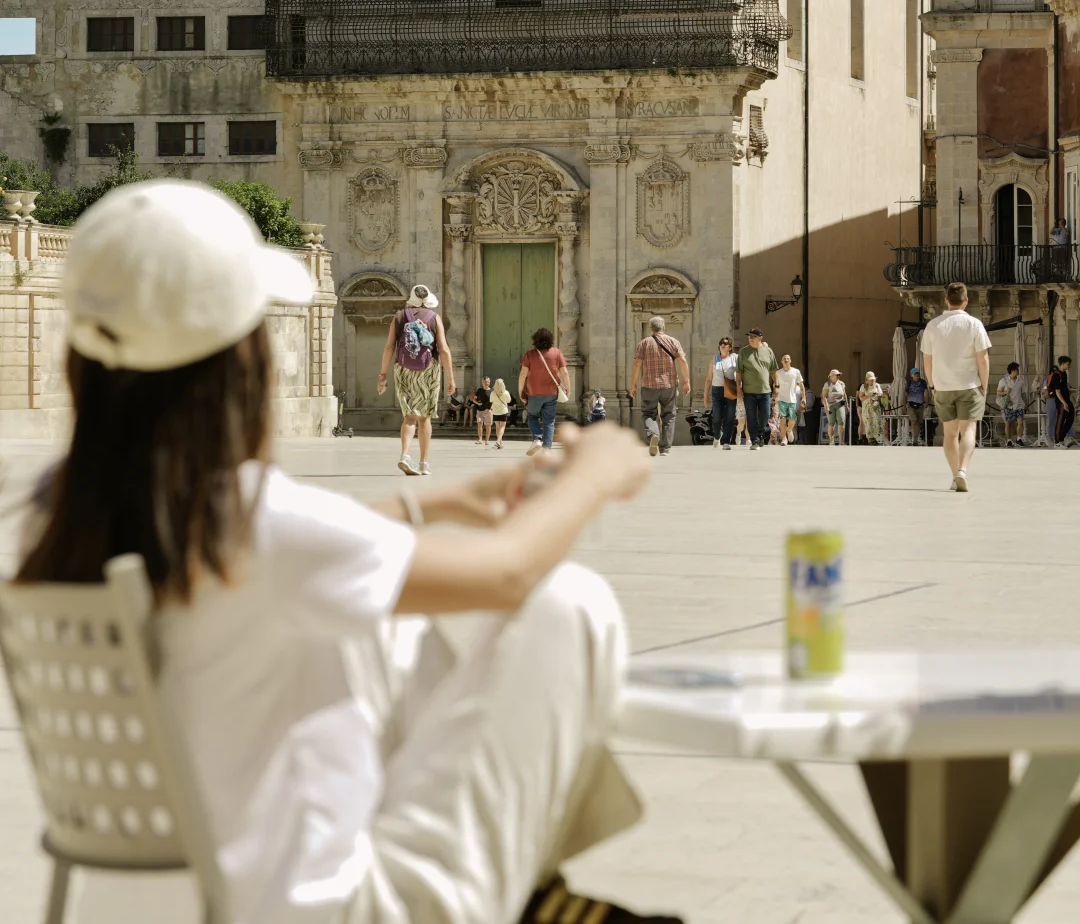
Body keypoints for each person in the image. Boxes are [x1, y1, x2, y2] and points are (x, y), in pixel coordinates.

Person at [15, 179, 676, 924]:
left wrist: (438, 503)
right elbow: (510, 574)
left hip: (152, 901)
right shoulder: (253, 521)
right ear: (244, 365)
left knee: (384, 623)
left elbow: (277, 554)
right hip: (323, 909)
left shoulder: (61, 507)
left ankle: (535, 888)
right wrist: (591, 476)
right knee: (565, 603)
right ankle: (529, 887)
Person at [378, 283, 455, 478]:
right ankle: (424, 463)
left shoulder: (398, 316)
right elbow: (444, 350)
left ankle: (405, 455)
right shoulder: (434, 318)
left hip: (403, 370)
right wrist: (451, 378)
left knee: (409, 416)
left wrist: (383, 374)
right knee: (425, 417)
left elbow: (389, 347)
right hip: (428, 370)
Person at [921, 281, 991, 492]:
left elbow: (927, 360)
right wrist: (985, 386)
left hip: (942, 386)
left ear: (946, 300)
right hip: (969, 384)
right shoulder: (974, 324)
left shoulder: (933, 325)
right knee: (968, 430)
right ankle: (962, 471)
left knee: (950, 434)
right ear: (966, 301)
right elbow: (983, 358)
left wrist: (932, 384)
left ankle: (954, 475)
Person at [629, 316, 692, 456]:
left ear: (651, 328)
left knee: (648, 413)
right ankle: (665, 449)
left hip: (649, 385)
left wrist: (633, 384)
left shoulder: (644, 343)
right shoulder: (673, 341)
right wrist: (686, 381)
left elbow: (637, 364)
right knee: (669, 415)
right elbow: (682, 361)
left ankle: (653, 435)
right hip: (669, 384)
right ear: (663, 327)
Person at [519, 327, 570, 455]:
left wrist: (520, 391)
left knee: (532, 416)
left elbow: (522, 374)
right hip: (551, 393)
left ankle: (537, 438)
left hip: (534, 393)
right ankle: (546, 448)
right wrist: (568, 388)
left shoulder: (530, 354)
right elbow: (564, 372)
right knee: (549, 420)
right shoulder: (557, 353)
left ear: (535, 340)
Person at [736, 327, 779, 450]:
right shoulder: (743, 352)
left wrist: (777, 386)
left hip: (765, 391)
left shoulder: (768, 351)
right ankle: (754, 440)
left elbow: (774, 370)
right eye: (749, 336)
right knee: (751, 416)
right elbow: (739, 372)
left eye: (753, 336)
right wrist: (739, 389)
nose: (750, 339)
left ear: (760, 338)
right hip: (749, 392)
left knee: (766, 414)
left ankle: (761, 432)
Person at [703, 337, 738, 450]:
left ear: (730, 347)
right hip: (717, 390)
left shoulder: (734, 358)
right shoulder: (715, 359)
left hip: (730, 390)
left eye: (726, 344)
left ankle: (726, 442)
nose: (723, 345)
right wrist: (705, 396)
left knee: (729, 417)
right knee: (717, 417)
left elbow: (740, 373)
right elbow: (709, 378)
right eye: (721, 343)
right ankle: (717, 436)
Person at [775, 354, 804, 446]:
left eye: (788, 359)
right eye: (784, 359)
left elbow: (801, 385)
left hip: (792, 399)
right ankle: (784, 439)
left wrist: (804, 397)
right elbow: (775, 385)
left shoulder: (796, 372)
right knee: (783, 419)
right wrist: (774, 397)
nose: (786, 360)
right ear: (781, 361)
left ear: (790, 361)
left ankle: (789, 430)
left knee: (792, 419)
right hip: (781, 399)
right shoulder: (778, 373)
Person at [995, 362, 1027, 447]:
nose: (1018, 371)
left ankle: (1019, 439)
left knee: (1020, 422)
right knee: (1008, 424)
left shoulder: (1021, 381)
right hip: (1008, 406)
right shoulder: (1003, 381)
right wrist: (1006, 392)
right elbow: (998, 392)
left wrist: (1026, 403)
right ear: (1012, 371)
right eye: (1017, 369)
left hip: (1019, 404)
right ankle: (1009, 440)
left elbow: (1023, 393)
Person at [1049, 354, 1075, 446]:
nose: (1069, 366)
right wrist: (1063, 403)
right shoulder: (1056, 375)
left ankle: (1061, 438)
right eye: (1068, 364)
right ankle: (1057, 441)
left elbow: (1064, 387)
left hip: (1067, 400)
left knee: (1071, 418)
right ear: (1063, 364)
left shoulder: (1064, 374)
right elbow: (1057, 391)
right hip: (1061, 402)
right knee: (1060, 420)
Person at [858, 371, 885, 445]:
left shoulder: (877, 385)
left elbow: (881, 394)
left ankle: (875, 439)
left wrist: (879, 395)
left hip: (875, 406)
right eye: (870, 380)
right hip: (867, 407)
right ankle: (870, 440)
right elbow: (861, 397)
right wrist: (869, 395)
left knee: (876, 422)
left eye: (873, 379)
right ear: (867, 380)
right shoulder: (863, 386)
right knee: (868, 423)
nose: (872, 381)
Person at [905, 367, 929, 445]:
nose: (917, 375)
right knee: (914, 420)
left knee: (918, 422)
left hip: (920, 404)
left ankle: (915, 439)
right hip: (911, 404)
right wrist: (905, 403)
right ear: (911, 375)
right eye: (915, 373)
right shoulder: (909, 382)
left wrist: (927, 401)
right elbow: (905, 393)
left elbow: (926, 391)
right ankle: (914, 437)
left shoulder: (923, 382)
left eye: (918, 373)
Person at [822, 370, 848, 445]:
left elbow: (844, 394)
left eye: (838, 375)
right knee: (831, 423)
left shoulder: (841, 383)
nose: (838, 376)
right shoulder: (827, 384)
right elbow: (824, 396)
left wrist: (847, 405)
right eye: (836, 375)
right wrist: (826, 406)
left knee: (841, 422)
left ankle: (841, 441)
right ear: (831, 376)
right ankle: (831, 441)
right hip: (830, 405)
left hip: (840, 404)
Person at [490, 377, 511, 448]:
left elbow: (491, 401)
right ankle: (498, 441)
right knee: (502, 427)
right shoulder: (506, 392)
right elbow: (509, 401)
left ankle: (500, 443)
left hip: (495, 412)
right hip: (503, 411)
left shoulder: (492, 393)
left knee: (497, 427)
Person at [475, 376, 494, 446]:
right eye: (485, 382)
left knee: (488, 425)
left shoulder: (492, 391)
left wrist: (491, 409)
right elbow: (474, 399)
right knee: (479, 424)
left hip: (488, 410)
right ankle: (480, 439)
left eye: (488, 382)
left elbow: (494, 401)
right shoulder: (479, 390)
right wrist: (477, 403)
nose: (487, 383)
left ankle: (487, 440)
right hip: (479, 410)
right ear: (482, 382)